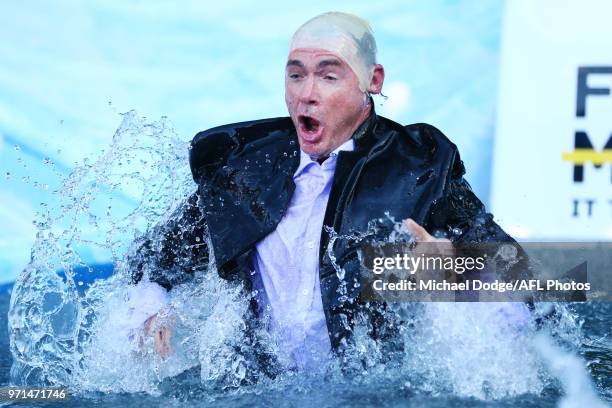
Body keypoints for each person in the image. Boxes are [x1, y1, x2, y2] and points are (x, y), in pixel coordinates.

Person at [128, 11, 528, 373]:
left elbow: (532, 285)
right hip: (258, 390)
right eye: (296, 74)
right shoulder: (245, 166)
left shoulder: (420, 170)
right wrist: (151, 301)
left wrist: (457, 273)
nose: (307, 93)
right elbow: (155, 258)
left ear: (373, 81)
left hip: (372, 391)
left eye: (329, 75)